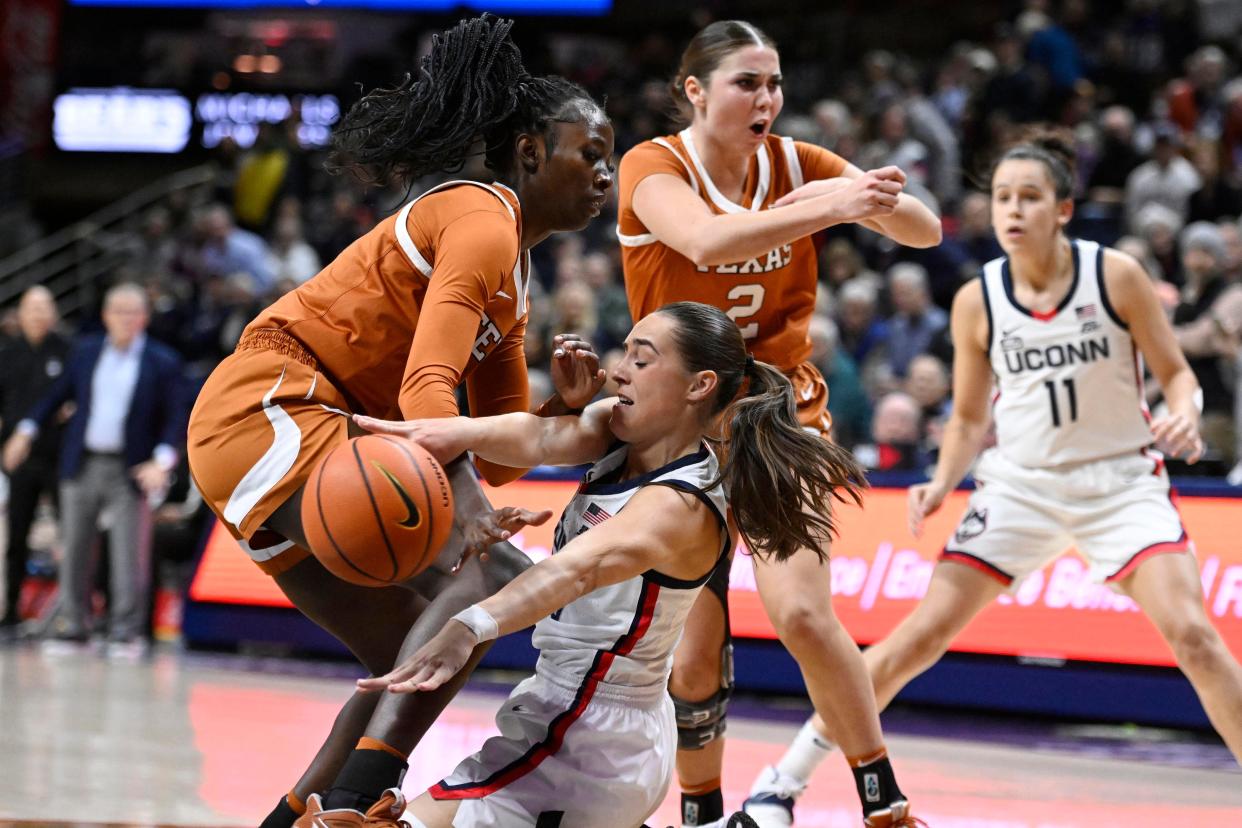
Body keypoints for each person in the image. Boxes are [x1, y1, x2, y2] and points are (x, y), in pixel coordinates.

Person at [183, 15, 614, 828]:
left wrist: (558, 409)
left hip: (299, 435)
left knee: (410, 657)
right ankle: (358, 806)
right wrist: (472, 510)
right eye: (591, 153)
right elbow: (427, 387)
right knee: (494, 580)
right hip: (276, 404)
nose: (606, 175)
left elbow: (494, 460)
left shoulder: (513, 272)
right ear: (529, 153)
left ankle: (299, 817)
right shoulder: (481, 215)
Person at [758, 130, 1242, 821]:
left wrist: (1187, 412)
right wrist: (942, 478)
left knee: (1194, 637)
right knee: (916, 639)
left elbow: (1177, 375)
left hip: (1120, 486)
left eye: (1030, 198)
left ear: (1064, 210)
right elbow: (964, 417)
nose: (1012, 211)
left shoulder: (1116, 276)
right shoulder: (978, 298)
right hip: (1021, 486)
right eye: (1002, 198)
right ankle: (783, 780)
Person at [308, 301, 865, 828]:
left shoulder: (680, 505)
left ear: (699, 386)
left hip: (595, 735)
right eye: (624, 353)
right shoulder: (622, 435)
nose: (618, 372)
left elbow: (573, 571)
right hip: (566, 709)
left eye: (642, 360)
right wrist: (439, 433)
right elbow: (538, 435)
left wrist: (466, 626)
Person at [616, 19, 940, 828]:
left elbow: (927, 229)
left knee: (800, 611)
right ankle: (700, 811)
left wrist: (865, 202)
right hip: (679, 424)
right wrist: (828, 207)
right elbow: (704, 237)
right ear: (695, 90)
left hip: (780, 415)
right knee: (692, 646)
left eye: (774, 83)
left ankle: (883, 801)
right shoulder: (652, 164)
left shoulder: (799, 163)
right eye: (747, 83)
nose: (767, 99)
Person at [2, 283, 187, 656]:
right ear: (104, 316)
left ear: (144, 318)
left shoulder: (162, 361)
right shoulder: (86, 353)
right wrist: (24, 431)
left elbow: (176, 418)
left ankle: (124, 630)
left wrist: (162, 461)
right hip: (82, 462)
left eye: (132, 312)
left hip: (130, 468)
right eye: (117, 311)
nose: (124, 318)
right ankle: (74, 625)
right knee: (73, 547)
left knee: (127, 553)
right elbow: (55, 397)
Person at [0, 287, 70, 637]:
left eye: (45, 307)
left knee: (68, 536)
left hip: (59, 458)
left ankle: (69, 612)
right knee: (17, 536)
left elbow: (77, 398)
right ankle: (11, 609)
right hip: (19, 460)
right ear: (21, 314)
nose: (39, 314)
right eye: (32, 308)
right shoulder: (9, 353)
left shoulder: (68, 350)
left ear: (54, 313)